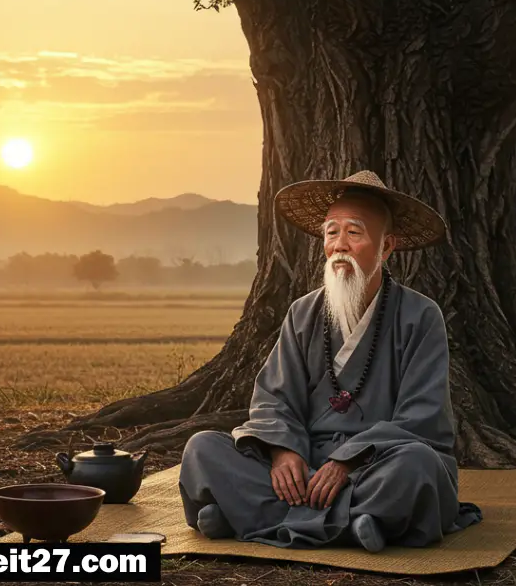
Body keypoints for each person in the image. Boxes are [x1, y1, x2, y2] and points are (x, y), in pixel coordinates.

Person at [178, 170, 483, 551]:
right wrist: (283, 451)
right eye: (331, 232)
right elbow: (274, 399)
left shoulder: (421, 316)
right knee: (203, 448)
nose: (339, 245)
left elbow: (422, 417)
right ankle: (357, 523)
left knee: (417, 466)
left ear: (386, 246)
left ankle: (250, 518)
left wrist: (346, 462)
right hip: (305, 464)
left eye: (354, 233)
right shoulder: (303, 313)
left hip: (374, 465)